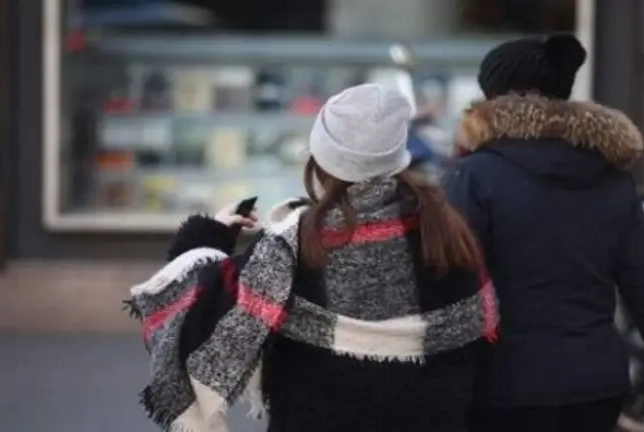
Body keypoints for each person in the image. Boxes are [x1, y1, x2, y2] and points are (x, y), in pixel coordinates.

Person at [127, 83, 498, 432]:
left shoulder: (295, 244)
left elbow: (199, 309)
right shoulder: (448, 234)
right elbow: (477, 342)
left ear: (321, 160)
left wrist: (208, 236)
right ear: (398, 159)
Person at [443, 34, 644, 432]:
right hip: (594, 389)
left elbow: (452, 293)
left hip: (502, 391)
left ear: (493, 99)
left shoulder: (473, 178)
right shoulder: (610, 179)